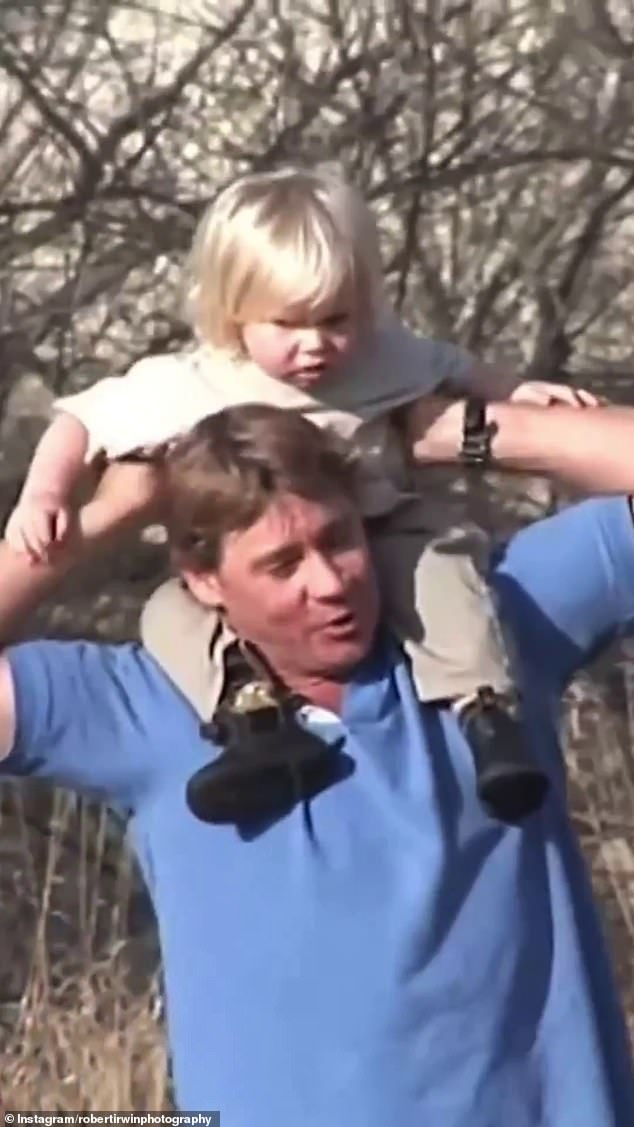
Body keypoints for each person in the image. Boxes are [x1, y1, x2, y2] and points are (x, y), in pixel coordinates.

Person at [0, 403, 633, 1125]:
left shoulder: (487, 633)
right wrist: (95, 519)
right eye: (282, 564)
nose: (330, 583)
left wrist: (470, 428)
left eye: (340, 539)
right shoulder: (145, 706)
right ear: (203, 579)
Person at [1, 166, 599, 821]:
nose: (315, 345)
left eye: (336, 319)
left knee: (445, 576)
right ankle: (252, 720)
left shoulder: (380, 358)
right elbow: (82, 421)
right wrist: (44, 495)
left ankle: (484, 711)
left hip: (385, 521)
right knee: (170, 619)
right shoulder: (193, 382)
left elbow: (455, 365)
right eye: (287, 323)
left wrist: (515, 393)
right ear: (233, 311)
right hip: (235, 570)